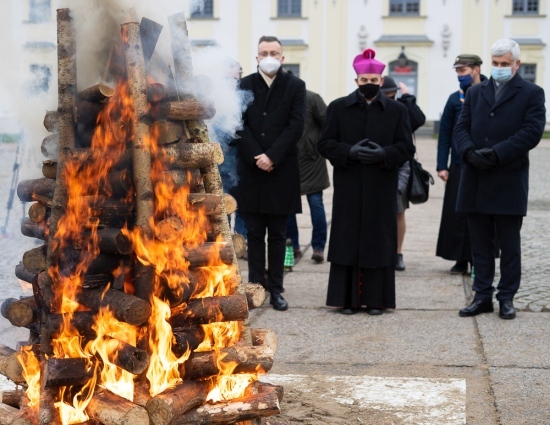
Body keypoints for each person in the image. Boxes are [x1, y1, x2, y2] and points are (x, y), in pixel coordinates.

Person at [317, 49, 415, 315]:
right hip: (349, 185)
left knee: (378, 240)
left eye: (374, 80)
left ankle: (376, 300)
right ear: (356, 81)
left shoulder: (397, 110)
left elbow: (407, 147)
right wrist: (349, 152)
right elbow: (325, 143)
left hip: (382, 186)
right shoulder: (338, 107)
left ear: (381, 81)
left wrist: (384, 154)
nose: (369, 84)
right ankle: (346, 300)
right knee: (347, 238)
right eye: (364, 80)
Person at [454, 38, 545, 320]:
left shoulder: (532, 92)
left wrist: (495, 154)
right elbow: (461, 127)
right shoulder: (475, 92)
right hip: (475, 177)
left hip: (508, 177)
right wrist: (469, 152)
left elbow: (531, 132)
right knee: (479, 245)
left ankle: (506, 297)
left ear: (517, 64)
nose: (499, 68)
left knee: (509, 246)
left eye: (505, 64)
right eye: (495, 64)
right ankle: (482, 296)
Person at [234, 36, 306, 311]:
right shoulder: (244, 85)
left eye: (274, 52)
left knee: (277, 233)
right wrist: (257, 157)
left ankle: (276, 288)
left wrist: (272, 156)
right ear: (256, 57)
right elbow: (238, 124)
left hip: (281, 169)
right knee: (253, 233)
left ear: (282, 57)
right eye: (264, 52)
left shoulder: (295, 85)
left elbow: (296, 125)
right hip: (252, 170)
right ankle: (254, 288)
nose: (269, 56)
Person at [436, 54, 485, 275]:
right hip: (458, 164)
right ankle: (459, 258)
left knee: (480, 213)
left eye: (463, 71)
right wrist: (441, 165)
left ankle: (478, 257)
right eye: (457, 71)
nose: (459, 76)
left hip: (484, 163)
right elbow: (444, 134)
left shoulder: (490, 94)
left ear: (476, 70)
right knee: (456, 214)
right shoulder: (454, 99)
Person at [380, 77, 426, 271]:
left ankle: (397, 253)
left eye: (392, 95)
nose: (389, 98)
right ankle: (380, 251)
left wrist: (407, 97)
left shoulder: (400, 110)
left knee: (398, 212)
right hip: (375, 164)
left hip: (399, 166)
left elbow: (419, 119)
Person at [285, 88, 330, 263]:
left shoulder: (312, 98)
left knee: (315, 204)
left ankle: (318, 247)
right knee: (288, 207)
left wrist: (317, 145)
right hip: (289, 159)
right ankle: (292, 245)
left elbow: (328, 124)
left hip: (312, 162)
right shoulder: (283, 98)